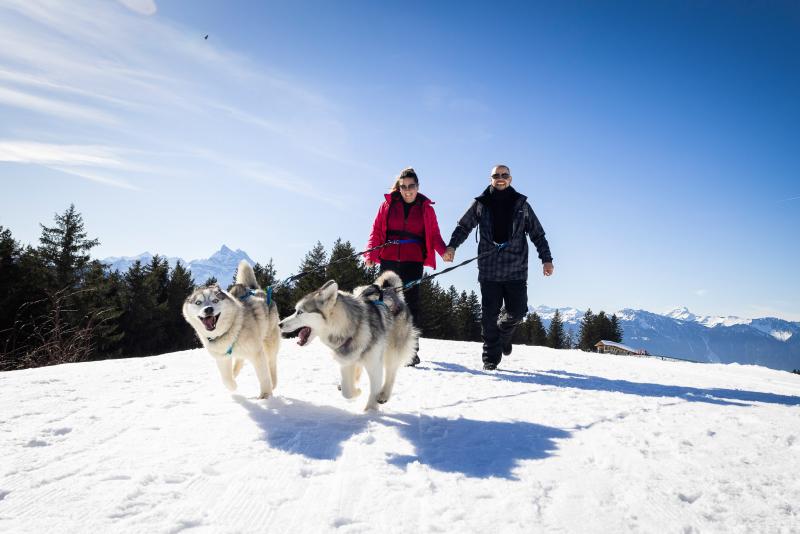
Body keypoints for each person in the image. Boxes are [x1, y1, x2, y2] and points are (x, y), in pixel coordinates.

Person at [443, 164, 554, 370]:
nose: (500, 178)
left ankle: (504, 330)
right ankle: (491, 359)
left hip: (516, 269)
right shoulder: (480, 204)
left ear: (510, 179)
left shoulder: (522, 204)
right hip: (489, 269)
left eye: (504, 175)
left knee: (518, 311)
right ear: (490, 179)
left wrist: (546, 259)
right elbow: (463, 226)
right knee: (489, 316)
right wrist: (452, 246)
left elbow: (537, 233)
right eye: (496, 176)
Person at [365, 167, 450, 366]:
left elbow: (435, 234)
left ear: (417, 187)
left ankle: (410, 351)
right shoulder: (387, 205)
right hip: (389, 258)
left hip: (413, 261)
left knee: (410, 305)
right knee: (385, 303)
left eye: (411, 186)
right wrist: (370, 253)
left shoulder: (426, 208)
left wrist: (443, 250)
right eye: (403, 187)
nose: (407, 190)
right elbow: (376, 230)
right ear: (399, 187)